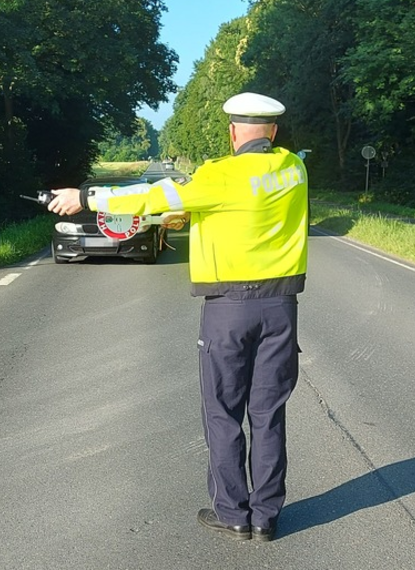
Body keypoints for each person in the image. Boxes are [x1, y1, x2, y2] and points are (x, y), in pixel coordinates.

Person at [48, 92, 308, 542]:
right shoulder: (293, 170)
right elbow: (243, 211)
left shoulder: (220, 175)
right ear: (274, 132)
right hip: (282, 306)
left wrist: (85, 196)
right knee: (269, 413)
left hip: (229, 308)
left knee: (224, 411)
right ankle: (266, 517)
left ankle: (233, 513)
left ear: (232, 132)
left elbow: (151, 196)